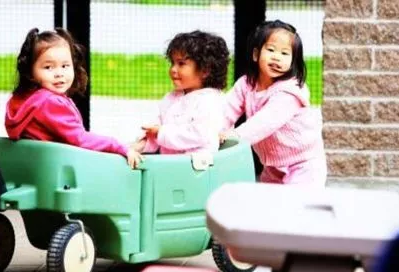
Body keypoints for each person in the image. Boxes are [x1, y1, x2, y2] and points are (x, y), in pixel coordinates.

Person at [5, 28, 143, 168]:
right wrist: (118, 146)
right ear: (30, 71)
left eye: (65, 65)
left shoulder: (23, 101)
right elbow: (80, 139)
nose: (59, 73)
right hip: (59, 172)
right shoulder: (50, 103)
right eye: (48, 67)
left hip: (36, 169)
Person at [220, 20, 327, 187]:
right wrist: (213, 131)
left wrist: (234, 136)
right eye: (271, 50)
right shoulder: (246, 84)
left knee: (298, 207)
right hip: (272, 166)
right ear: (256, 54)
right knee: (269, 206)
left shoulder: (289, 92)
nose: (277, 57)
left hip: (304, 164)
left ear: (293, 61)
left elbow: (264, 122)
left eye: (285, 53)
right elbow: (226, 110)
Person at [133, 30, 229, 155]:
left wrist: (161, 133)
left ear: (205, 70)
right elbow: (156, 129)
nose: (173, 69)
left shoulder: (211, 101)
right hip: (169, 165)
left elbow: (199, 134)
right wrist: (141, 145)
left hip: (195, 168)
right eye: (172, 63)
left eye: (181, 63)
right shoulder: (171, 98)